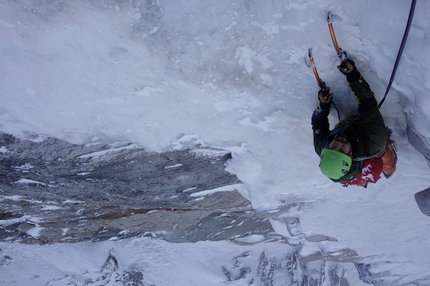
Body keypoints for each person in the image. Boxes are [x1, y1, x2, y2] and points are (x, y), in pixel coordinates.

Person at [311, 59, 397, 187]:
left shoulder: (323, 147)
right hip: (369, 141)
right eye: (341, 150)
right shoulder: (374, 142)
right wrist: (353, 76)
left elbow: (318, 123)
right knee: (384, 153)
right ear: (350, 155)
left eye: (333, 147)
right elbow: (368, 105)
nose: (338, 143)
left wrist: (323, 107)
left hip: (354, 132)